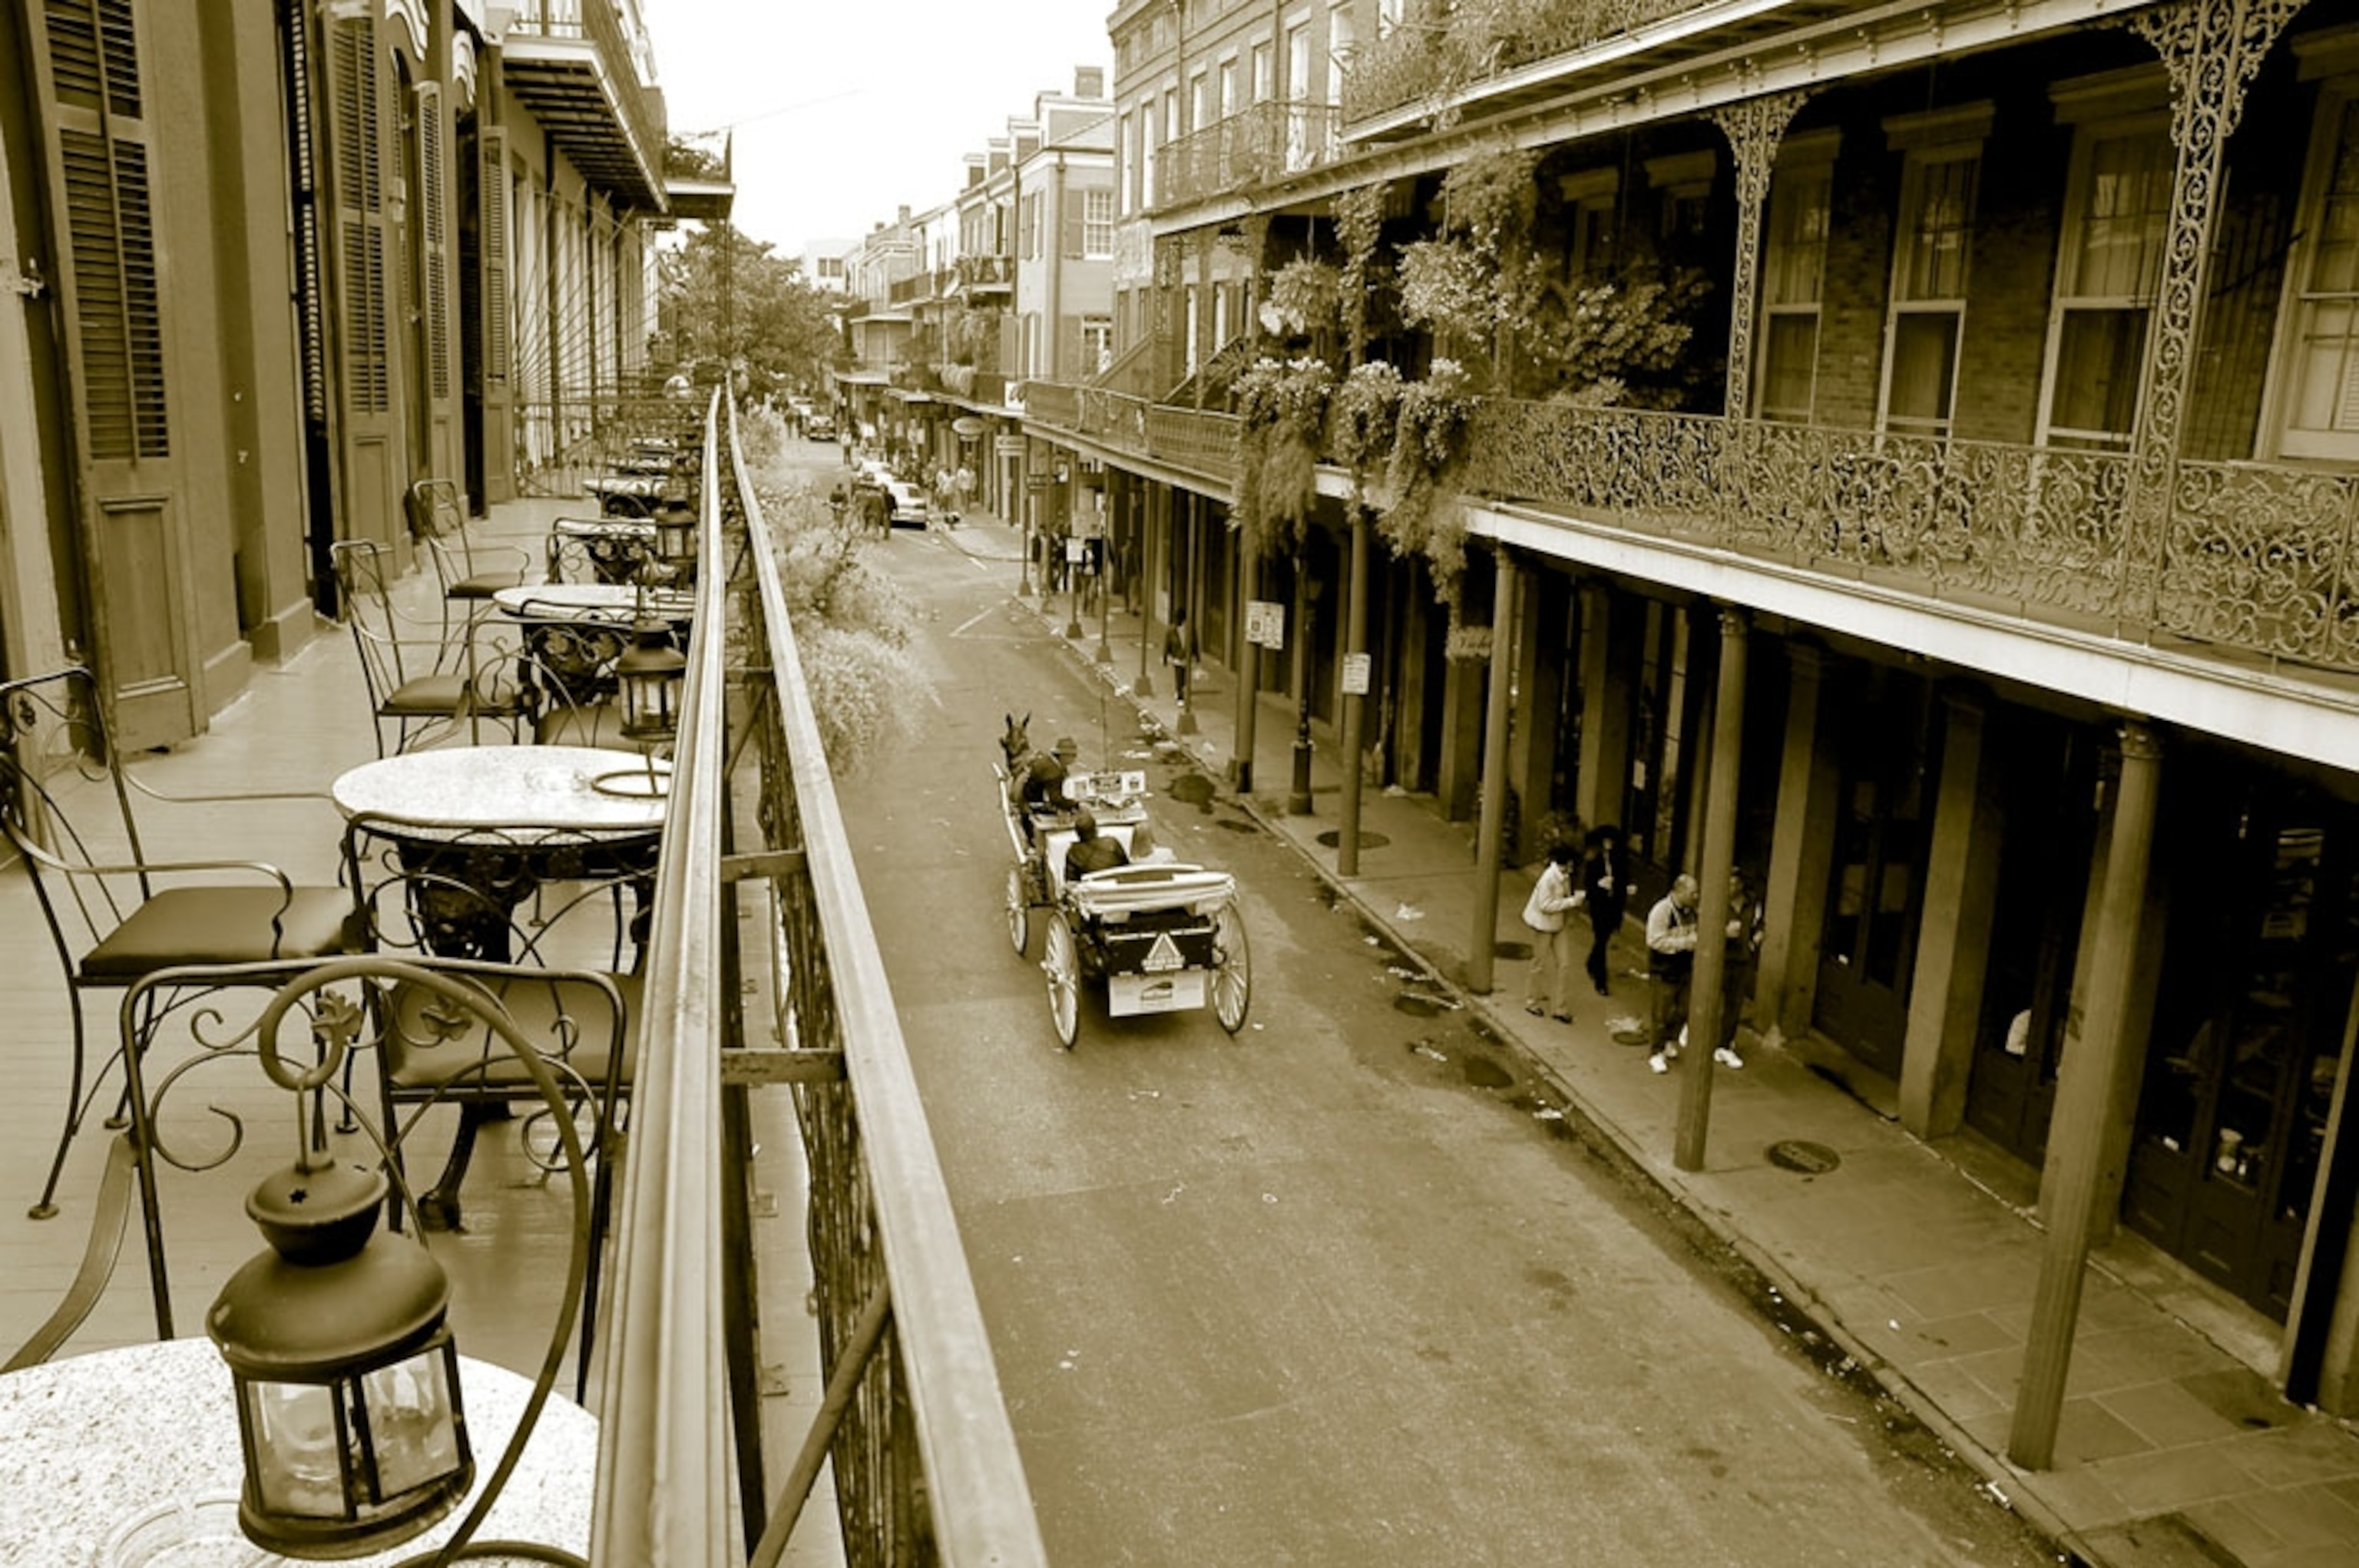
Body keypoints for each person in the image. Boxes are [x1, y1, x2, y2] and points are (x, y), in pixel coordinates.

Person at [1520, 841, 1584, 1024]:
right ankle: (1531, 1001)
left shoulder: (1563, 875)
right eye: (1571, 864)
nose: (1573, 869)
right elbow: (1545, 905)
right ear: (1565, 863)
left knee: (1564, 964)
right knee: (1538, 963)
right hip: (1544, 925)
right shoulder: (1549, 878)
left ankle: (1559, 1007)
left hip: (1558, 923)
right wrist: (1572, 902)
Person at [1645, 874, 1699, 1074]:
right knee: (1661, 1012)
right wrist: (1686, 943)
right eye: (1692, 892)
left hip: (1685, 968)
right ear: (1680, 891)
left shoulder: (1692, 911)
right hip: (1664, 970)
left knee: (1684, 1009)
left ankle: (1670, 1038)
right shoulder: (1662, 911)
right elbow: (1655, 940)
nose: (1696, 896)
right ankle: (1656, 1052)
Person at [1715, 868, 1765, 1069]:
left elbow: (1760, 924)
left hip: (1742, 960)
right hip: (1721, 958)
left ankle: (1724, 1044)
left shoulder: (1752, 904)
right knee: (1710, 998)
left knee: (1734, 1005)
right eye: (1728, 883)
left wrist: (1758, 936)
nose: (1731, 887)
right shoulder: (1718, 902)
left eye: (1735, 884)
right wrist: (1723, 933)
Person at [1580, 823, 1629, 997]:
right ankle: (1601, 979)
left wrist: (1621, 887)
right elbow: (1588, 884)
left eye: (1611, 841)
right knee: (1601, 939)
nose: (1609, 844)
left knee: (1603, 939)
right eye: (1606, 841)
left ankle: (1592, 962)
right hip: (1599, 905)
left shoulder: (1619, 859)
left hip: (1613, 905)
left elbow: (1624, 879)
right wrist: (1598, 885)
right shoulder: (1595, 860)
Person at [1021, 735, 1080, 819]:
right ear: (1063, 755)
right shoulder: (1053, 772)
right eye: (1073, 756)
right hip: (1036, 804)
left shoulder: (1050, 761)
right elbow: (1055, 798)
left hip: (1032, 797)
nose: (1074, 760)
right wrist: (1076, 804)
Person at [1064, 807, 1128, 883]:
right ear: (1096, 829)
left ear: (1077, 834)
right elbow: (1127, 868)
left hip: (1092, 891)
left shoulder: (1073, 853)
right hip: (1117, 887)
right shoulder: (1112, 842)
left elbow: (1071, 883)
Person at [1163, 609, 1197, 703]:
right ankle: (1180, 695)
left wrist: (1197, 656)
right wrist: (1165, 657)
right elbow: (1167, 645)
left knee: (1186, 677)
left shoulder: (1190, 630)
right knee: (1179, 676)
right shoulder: (1171, 631)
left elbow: (1195, 643)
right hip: (1177, 657)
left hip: (1187, 657)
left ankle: (1182, 689)